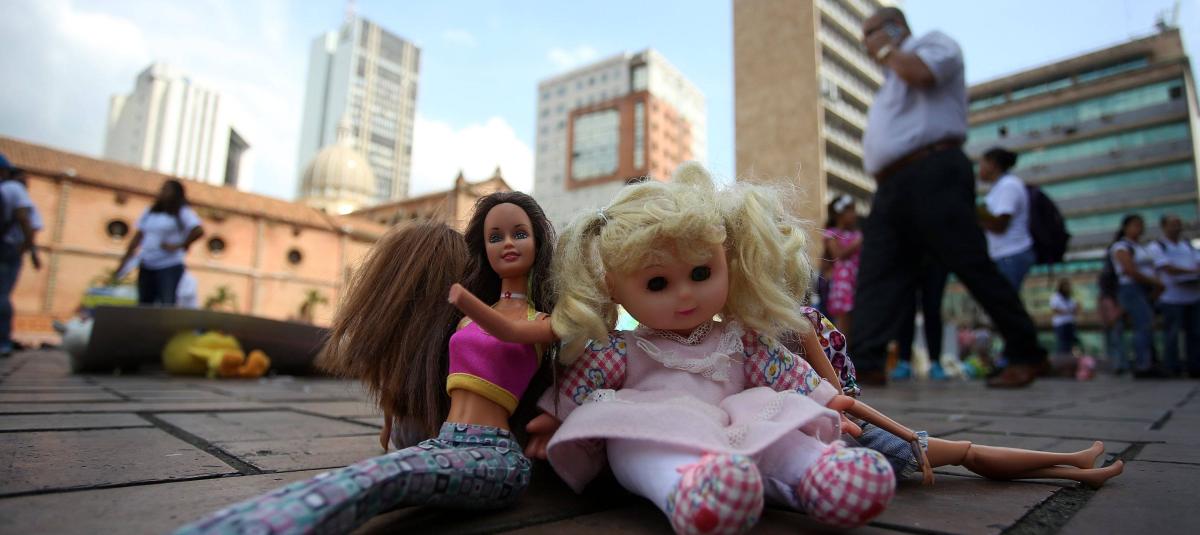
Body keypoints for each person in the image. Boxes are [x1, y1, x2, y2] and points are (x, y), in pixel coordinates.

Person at [451, 162, 901, 531]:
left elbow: (782, 369)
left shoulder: (740, 339)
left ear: (726, 262)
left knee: (777, 433)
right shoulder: (623, 350)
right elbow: (585, 379)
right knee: (636, 445)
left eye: (701, 274)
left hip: (736, 419)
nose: (685, 295)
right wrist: (555, 415)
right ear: (614, 288)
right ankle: (683, 488)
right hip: (657, 419)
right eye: (657, 283)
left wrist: (823, 398)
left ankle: (817, 472)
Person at [175, 192, 557, 534]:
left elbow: (516, 337)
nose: (508, 244)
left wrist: (556, 412)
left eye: (519, 234)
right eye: (495, 237)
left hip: (490, 451)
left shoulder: (531, 320)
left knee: (378, 479)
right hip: (444, 436)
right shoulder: (462, 323)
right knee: (365, 478)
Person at [853, 7, 1046, 388]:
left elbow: (923, 74)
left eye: (871, 33)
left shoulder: (932, 44)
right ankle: (863, 363)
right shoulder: (889, 81)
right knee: (877, 272)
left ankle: (1027, 352)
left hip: (933, 169)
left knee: (969, 260)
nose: (866, 43)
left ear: (894, 28)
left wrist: (887, 50)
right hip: (891, 185)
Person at [117, 180, 204, 306]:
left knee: (166, 302)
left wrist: (180, 245)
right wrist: (124, 260)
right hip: (147, 263)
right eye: (162, 189)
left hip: (169, 265)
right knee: (144, 304)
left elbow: (198, 230)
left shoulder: (182, 212)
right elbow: (138, 236)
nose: (162, 193)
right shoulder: (150, 212)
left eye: (166, 190)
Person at [1108, 214, 1165, 378]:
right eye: (1135, 225)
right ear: (1126, 227)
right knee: (1142, 325)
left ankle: (1147, 362)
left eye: (1141, 225)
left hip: (1144, 290)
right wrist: (1154, 282)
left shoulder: (1141, 247)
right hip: (1131, 288)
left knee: (1147, 324)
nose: (1139, 229)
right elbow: (1129, 270)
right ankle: (1142, 364)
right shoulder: (1121, 246)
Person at [1147, 214, 1200, 377]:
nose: (1177, 227)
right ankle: (1172, 367)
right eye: (1172, 224)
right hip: (1171, 298)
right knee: (1172, 334)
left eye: (1178, 223)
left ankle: (1194, 367)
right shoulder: (1157, 246)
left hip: (1193, 296)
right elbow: (1166, 267)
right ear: (1164, 227)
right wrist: (1191, 271)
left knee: (1195, 333)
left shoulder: (1188, 245)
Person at [0, 154, 41, 357]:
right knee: (2, 294)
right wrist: (29, 249)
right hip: (8, 247)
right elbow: (25, 218)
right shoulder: (14, 189)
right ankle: (3, 342)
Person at [978, 147, 1035, 290]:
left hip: (1010, 254)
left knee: (1004, 300)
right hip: (1003, 255)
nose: (979, 170)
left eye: (982, 164)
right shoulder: (998, 187)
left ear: (992, 165)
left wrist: (975, 217)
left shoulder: (1008, 185)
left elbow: (1000, 225)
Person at [892, 258, 949, 380]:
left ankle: (935, 362)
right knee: (905, 308)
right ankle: (904, 361)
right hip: (906, 257)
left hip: (936, 257)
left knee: (933, 307)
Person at [823, 194, 862, 334]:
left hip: (856, 280)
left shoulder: (856, 234)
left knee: (856, 324)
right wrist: (857, 243)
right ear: (839, 214)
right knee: (843, 324)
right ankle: (843, 347)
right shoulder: (831, 234)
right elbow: (837, 255)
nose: (854, 214)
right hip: (842, 283)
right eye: (850, 210)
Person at [1050, 279, 1080, 356]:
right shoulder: (1056, 297)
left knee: (1071, 344)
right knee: (1063, 344)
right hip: (1060, 324)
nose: (1068, 288)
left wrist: (1076, 309)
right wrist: (1068, 311)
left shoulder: (1070, 298)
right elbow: (1055, 310)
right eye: (1066, 286)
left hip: (1070, 322)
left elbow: (1075, 310)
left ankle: (1069, 358)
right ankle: (1062, 359)